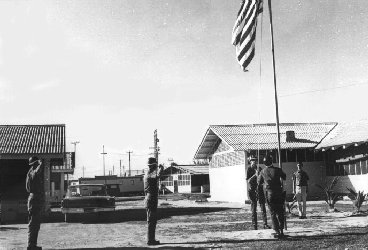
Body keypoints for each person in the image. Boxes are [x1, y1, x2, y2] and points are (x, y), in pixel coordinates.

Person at [258, 154, 286, 238]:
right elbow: (284, 177)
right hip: (279, 194)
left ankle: (277, 230)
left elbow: (259, 182)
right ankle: (281, 230)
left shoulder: (262, 171)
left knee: (273, 213)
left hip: (270, 194)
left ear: (264, 163)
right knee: (280, 212)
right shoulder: (278, 169)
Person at [246, 155, 270, 230]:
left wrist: (260, 175)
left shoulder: (259, 168)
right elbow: (248, 180)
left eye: (255, 160)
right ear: (250, 161)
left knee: (263, 207)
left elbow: (263, 179)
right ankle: (254, 225)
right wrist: (254, 175)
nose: (254, 162)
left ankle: (265, 224)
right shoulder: (249, 169)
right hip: (252, 190)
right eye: (252, 160)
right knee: (254, 208)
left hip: (259, 189)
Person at [143, 157, 164, 245]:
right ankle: (150, 240)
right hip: (151, 199)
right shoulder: (150, 173)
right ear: (153, 165)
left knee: (151, 220)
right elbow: (158, 175)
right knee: (151, 221)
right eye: (155, 165)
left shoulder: (147, 173)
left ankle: (151, 239)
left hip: (149, 198)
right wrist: (161, 168)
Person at [26, 156, 44, 250]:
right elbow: (37, 172)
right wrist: (40, 163)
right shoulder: (33, 172)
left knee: (34, 224)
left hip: (32, 199)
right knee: (34, 224)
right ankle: (31, 246)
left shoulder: (29, 172)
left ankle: (32, 245)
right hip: (34, 200)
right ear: (35, 164)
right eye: (36, 163)